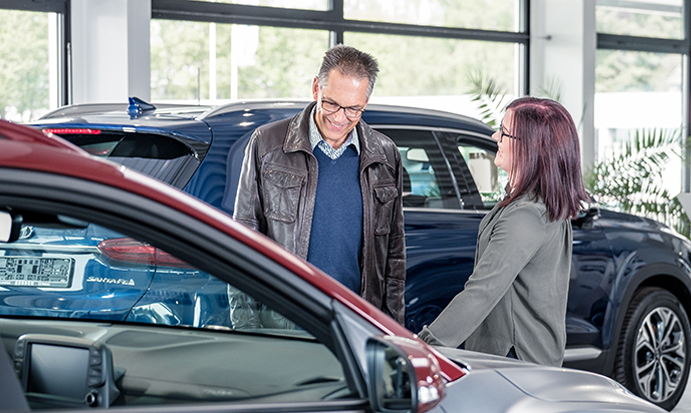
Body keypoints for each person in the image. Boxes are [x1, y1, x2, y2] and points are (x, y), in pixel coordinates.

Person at [230, 44, 406, 326]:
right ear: (316, 88)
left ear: (366, 103)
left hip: (356, 324)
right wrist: (247, 328)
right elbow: (242, 241)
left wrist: (392, 330)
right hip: (285, 323)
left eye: (353, 109)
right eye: (331, 103)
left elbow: (394, 256)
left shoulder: (385, 155)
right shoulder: (267, 144)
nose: (339, 118)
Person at [417, 97, 590, 367]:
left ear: (530, 147)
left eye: (504, 132)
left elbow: (482, 291)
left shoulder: (526, 216)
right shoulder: (543, 204)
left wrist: (423, 349)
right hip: (528, 358)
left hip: (513, 360)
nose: (495, 136)